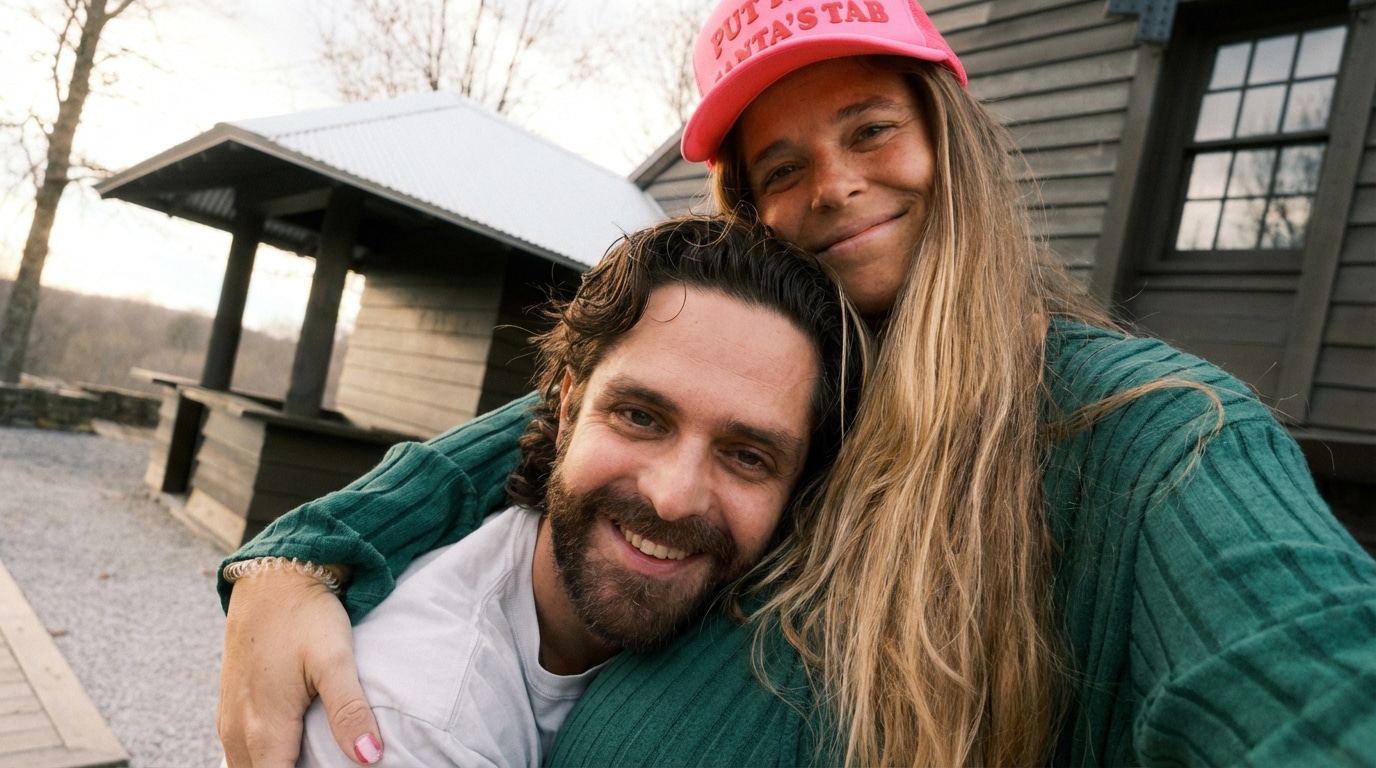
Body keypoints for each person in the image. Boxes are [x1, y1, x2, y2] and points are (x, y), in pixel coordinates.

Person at [218, 0, 1376, 766]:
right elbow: (564, 428)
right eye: (781, 167)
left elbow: (1306, 684)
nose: (831, 184)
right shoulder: (786, 384)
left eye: (868, 130)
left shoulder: (1152, 432)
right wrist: (299, 552)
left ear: (949, 134)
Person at [284, 217, 864, 766]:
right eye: (640, 417)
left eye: (747, 456)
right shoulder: (419, 721)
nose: (672, 498)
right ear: (567, 410)